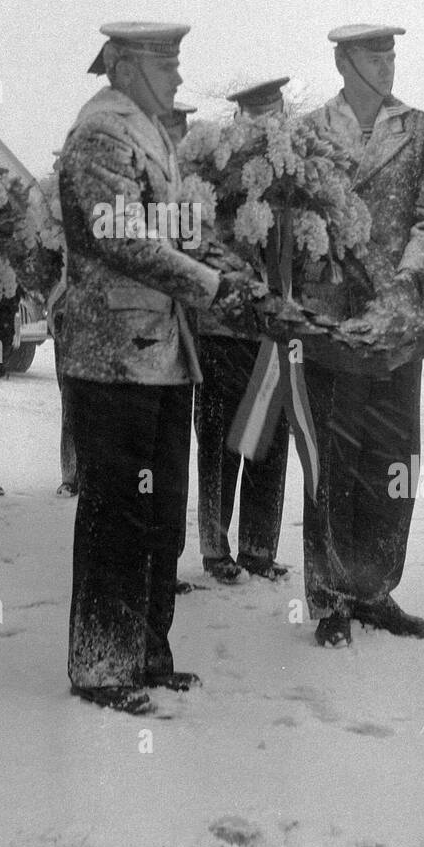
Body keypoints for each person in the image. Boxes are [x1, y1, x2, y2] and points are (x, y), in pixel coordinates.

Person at [58, 21, 266, 714]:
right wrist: (210, 286)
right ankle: (100, 664)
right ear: (125, 67)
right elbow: (121, 238)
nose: (178, 78)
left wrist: (230, 264)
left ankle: (146, 653)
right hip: (112, 357)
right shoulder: (101, 133)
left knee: (158, 518)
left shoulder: (149, 132)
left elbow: (174, 231)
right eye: (166, 65)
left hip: (164, 354)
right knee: (117, 514)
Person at [298, 24, 424, 648]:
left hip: (396, 329)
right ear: (343, 61)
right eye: (373, 54)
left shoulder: (422, 129)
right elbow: (294, 223)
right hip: (330, 327)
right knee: (331, 462)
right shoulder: (309, 135)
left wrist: (405, 284)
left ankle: (374, 587)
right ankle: (331, 596)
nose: (387, 63)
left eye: (392, 52)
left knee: (391, 462)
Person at [193, 77, 294, 584]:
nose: (266, 124)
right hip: (221, 327)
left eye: (273, 114)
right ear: (239, 118)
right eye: (256, 116)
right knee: (218, 438)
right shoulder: (215, 167)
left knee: (270, 438)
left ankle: (259, 547)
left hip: (272, 330)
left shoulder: (296, 170)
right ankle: (215, 548)